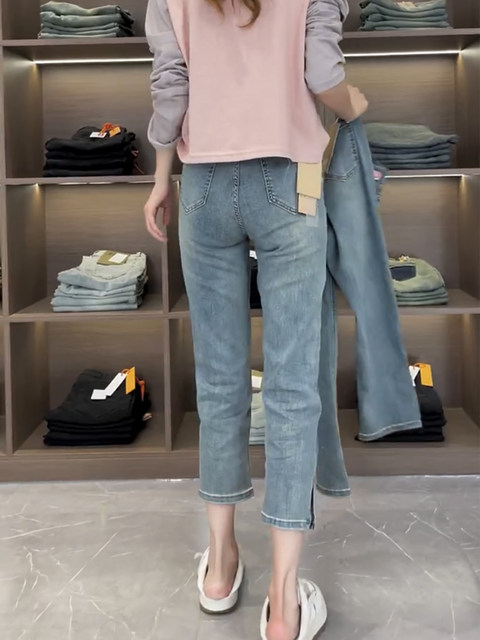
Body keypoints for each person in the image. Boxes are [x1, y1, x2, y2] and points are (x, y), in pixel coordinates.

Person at [144, 1, 368, 639]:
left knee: (219, 380)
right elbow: (323, 72)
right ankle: (284, 602)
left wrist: (161, 177)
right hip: (289, 180)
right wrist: (354, 105)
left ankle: (220, 570)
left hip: (203, 185)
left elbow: (171, 89)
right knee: (292, 385)